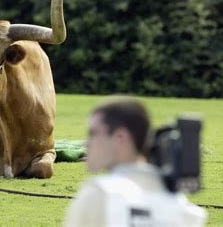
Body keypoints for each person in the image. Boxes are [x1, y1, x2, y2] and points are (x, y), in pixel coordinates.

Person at [64, 96, 207, 227]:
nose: (87, 144)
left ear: (120, 137)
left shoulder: (99, 193)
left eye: (93, 134)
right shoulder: (184, 210)